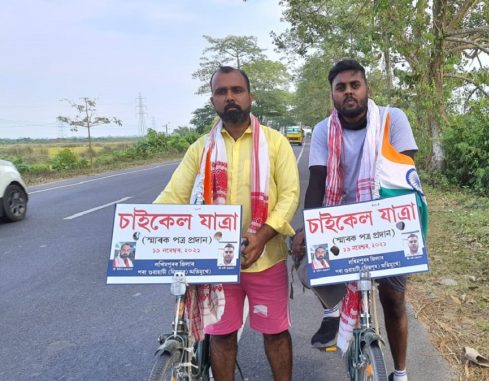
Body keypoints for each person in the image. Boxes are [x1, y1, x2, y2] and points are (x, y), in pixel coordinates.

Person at [155, 66, 300, 381]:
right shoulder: (200, 149)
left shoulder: (275, 143)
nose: (230, 97)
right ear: (213, 101)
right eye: (222, 92)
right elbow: (172, 197)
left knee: (275, 334)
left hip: (267, 258)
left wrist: (262, 237)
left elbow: (289, 195)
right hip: (215, 263)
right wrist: (141, 231)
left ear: (250, 96)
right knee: (222, 336)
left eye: (237, 90)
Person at [292, 59, 426, 381]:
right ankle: (332, 312)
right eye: (341, 88)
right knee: (311, 260)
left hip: (385, 217)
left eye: (355, 85)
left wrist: (409, 229)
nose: (348, 92)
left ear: (366, 89)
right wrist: (309, 228)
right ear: (333, 95)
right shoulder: (324, 130)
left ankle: (400, 372)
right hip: (342, 220)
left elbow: (405, 175)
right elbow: (318, 181)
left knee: (393, 299)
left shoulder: (393, 120)